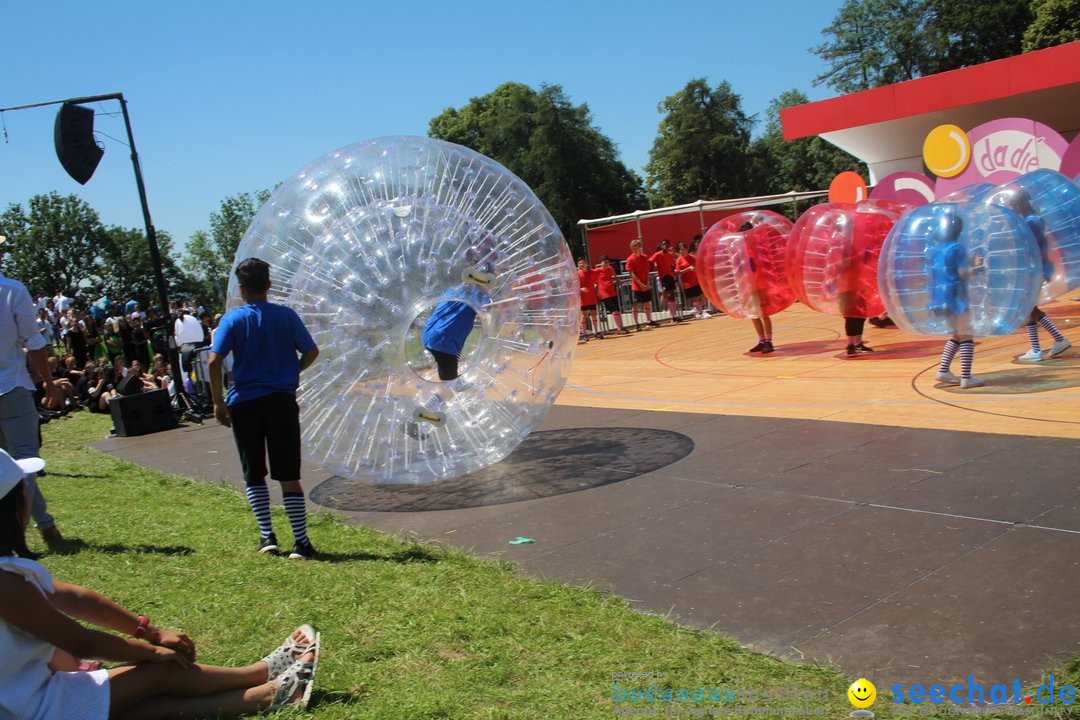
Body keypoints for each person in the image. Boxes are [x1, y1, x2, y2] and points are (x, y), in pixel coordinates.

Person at [0, 450, 320, 719]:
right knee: (159, 673)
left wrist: (148, 632)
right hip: (32, 708)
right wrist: (151, 652)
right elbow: (80, 641)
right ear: (15, 508)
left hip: (27, 699)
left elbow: (78, 599)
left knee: (138, 702)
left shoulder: (10, 573)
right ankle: (261, 677)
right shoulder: (6, 584)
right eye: (24, 487)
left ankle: (272, 693)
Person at [208, 258, 320, 560]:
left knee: (253, 473)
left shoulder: (231, 320)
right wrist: (292, 371)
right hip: (281, 401)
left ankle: (267, 537)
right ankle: (300, 542)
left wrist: (218, 401)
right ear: (269, 285)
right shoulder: (286, 316)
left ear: (241, 289)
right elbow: (311, 351)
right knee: (288, 473)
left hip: (244, 403)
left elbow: (213, 360)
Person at [0, 271, 65, 542]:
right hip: (11, 386)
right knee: (24, 462)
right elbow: (34, 341)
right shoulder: (12, 289)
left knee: (8, 466)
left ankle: (46, 526)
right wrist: (49, 383)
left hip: (12, 385)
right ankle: (14, 535)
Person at [932, 216, 984, 389]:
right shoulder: (957, 248)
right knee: (967, 334)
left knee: (956, 335)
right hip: (957, 296)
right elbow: (962, 274)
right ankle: (966, 378)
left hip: (940, 298)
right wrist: (978, 268)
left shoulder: (937, 249)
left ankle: (943, 371)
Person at [422, 263, 494, 381]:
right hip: (444, 342)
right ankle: (442, 396)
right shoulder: (479, 296)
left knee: (451, 378)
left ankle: (456, 384)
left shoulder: (451, 291)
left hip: (431, 334)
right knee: (449, 386)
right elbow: (492, 308)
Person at [625, 239, 659, 331]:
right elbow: (632, 274)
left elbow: (647, 270)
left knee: (647, 302)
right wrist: (640, 284)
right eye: (633, 248)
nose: (635, 250)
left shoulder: (644, 257)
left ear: (640, 247)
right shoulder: (630, 259)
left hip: (645, 283)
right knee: (635, 304)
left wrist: (647, 282)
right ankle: (636, 323)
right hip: (636, 286)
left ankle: (649, 320)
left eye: (636, 247)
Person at [674, 241, 709, 320]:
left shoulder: (692, 257)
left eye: (684, 249)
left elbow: (699, 265)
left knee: (704, 296)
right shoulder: (679, 260)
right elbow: (678, 272)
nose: (682, 251)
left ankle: (696, 309)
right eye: (681, 250)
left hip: (696, 280)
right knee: (694, 298)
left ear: (687, 249)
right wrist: (688, 269)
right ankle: (700, 312)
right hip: (687, 282)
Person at [594, 256, 629, 335]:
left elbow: (615, 277)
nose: (606, 264)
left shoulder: (611, 268)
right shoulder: (596, 271)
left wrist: (618, 281)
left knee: (617, 309)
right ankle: (619, 328)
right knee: (614, 310)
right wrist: (596, 291)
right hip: (604, 293)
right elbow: (591, 278)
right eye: (604, 262)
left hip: (612, 291)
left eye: (607, 262)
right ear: (601, 263)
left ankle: (621, 327)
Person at [650, 239, 680, 323]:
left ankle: (674, 316)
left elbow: (672, 266)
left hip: (670, 276)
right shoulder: (657, 254)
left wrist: (675, 275)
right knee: (667, 294)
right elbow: (650, 261)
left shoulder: (670, 255)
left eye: (666, 244)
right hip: (663, 276)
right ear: (661, 245)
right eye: (663, 244)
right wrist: (648, 271)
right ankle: (670, 315)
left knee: (672, 295)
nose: (665, 246)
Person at [577, 258, 603, 341]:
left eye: (582, 263)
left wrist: (597, 292)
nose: (581, 264)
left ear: (586, 263)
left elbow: (597, 283)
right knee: (584, 315)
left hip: (592, 296)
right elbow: (574, 285)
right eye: (579, 263)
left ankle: (596, 332)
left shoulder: (592, 272)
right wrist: (581, 289)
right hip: (583, 298)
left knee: (594, 314)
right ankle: (584, 335)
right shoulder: (577, 274)